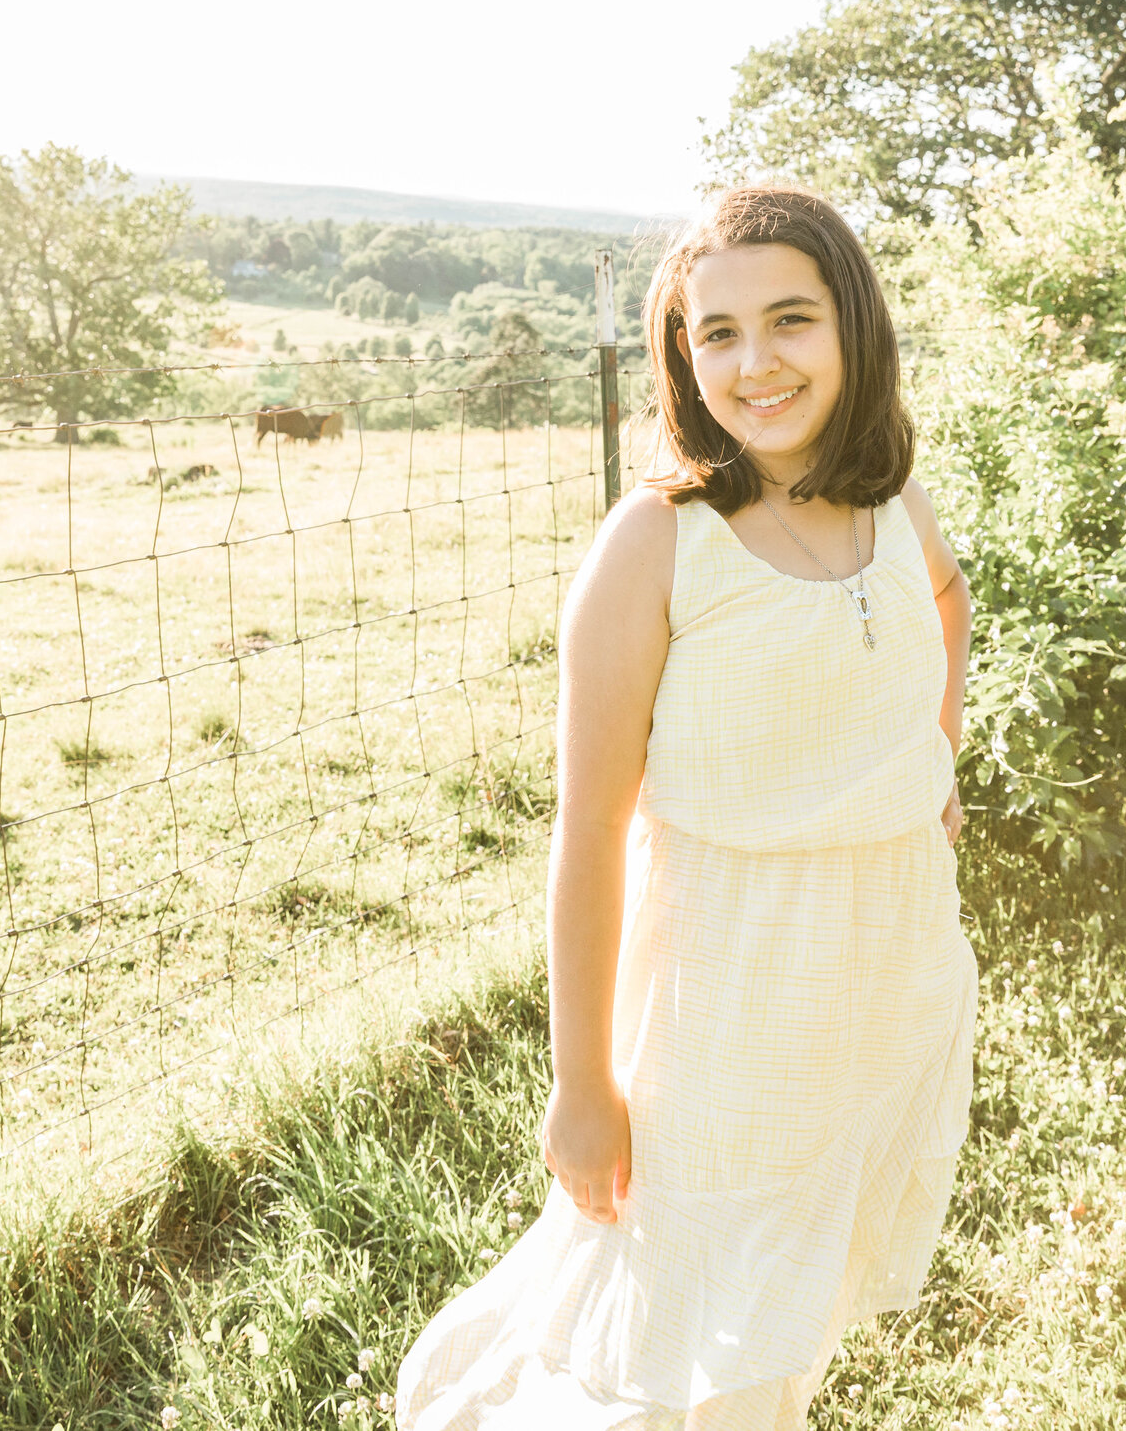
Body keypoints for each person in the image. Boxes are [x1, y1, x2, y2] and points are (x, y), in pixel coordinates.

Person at [395, 187, 977, 1429]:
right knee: (678, 1340)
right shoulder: (657, 543)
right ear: (680, 353)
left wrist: (929, 774)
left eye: (790, 319)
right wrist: (582, 1082)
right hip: (722, 1008)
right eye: (717, 333)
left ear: (852, 329)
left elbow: (946, 603)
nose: (756, 362)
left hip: (882, 983)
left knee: (788, 1306)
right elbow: (590, 830)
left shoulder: (890, 500)